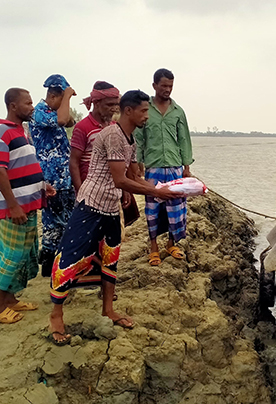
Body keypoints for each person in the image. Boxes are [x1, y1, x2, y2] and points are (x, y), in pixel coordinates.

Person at [48, 90, 183, 345]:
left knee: (111, 258)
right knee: (70, 257)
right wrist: (156, 191)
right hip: (91, 204)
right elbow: (120, 179)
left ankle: (108, 309)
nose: (147, 115)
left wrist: (173, 188)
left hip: (110, 206)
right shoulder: (111, 135)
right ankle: (56, 315)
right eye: (144, 110)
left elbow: (132, 177)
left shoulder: (130, 139)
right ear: (128, 111)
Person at [0, 88, 56, 324]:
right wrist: (13, 205)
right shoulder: (2, 132)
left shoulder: (20, 131)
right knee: (11, 254)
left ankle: (10, 298)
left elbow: (22, 165)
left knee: (24, 253)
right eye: (28, 103)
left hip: (28, 204)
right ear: (13, 106)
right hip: (14, 208)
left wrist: (42, 185)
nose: (32, 107)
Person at [134, 68, 193, 266]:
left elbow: (184, 139)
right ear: (154, 86)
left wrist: (186, 166)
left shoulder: (178, 111)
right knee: (153, 208)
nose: (167, 89)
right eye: (164, 86)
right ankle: (153, 248)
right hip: (153, 166)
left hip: (175, 165)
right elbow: (139, 139)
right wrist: (138, 164)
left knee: (176, 208)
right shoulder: (145, 109)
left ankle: (171, 243)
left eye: (170, 86)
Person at [29, 74, 77, 277]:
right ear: (53, 95)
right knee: (52, 224)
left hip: (64, 178)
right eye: (62, 97)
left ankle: (58, 265)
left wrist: (65, 101)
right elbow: (63, 119)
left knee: (65, 221)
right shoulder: (39, 112)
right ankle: (48, 268)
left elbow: (70, 121)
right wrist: (67, 96)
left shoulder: (52, 111)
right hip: (51, 179)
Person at [70, 81, 120, 191]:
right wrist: (80, 192)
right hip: (90, 189)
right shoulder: (82, 127)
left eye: (116, 104)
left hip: (112, 188)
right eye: (109, 104)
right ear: (97, 104)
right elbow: (74, 162)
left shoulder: (114, 127)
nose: (114, 108)